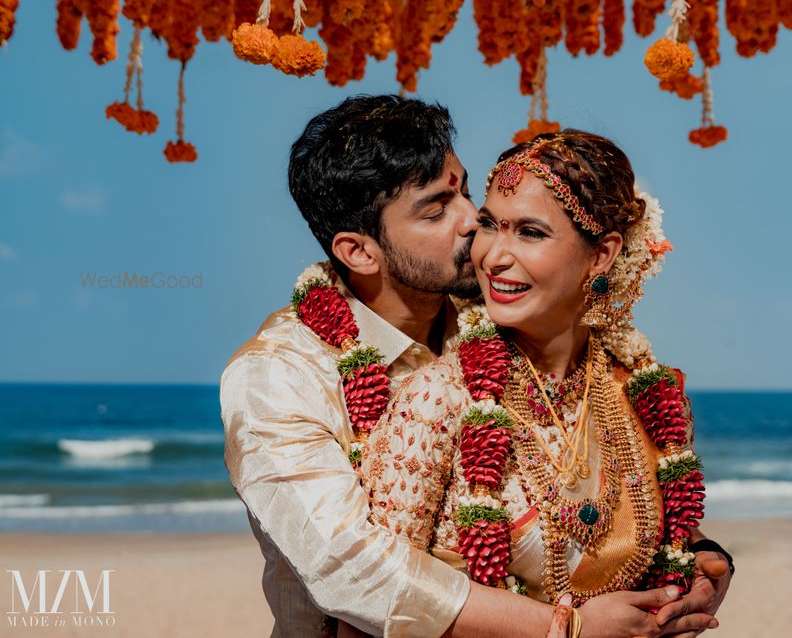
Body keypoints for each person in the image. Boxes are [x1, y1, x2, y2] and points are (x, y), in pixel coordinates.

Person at [221, 95, 728, 638]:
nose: (474, 225)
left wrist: (698, 558)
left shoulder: (506, 318)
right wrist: (567, 629)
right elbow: (353, 569)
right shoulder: (278, 376)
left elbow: (592, 477)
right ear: (360, 252)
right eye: (437, 210)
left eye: (465, 192)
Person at [359, 129, 734, 636]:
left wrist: (702, 572)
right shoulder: (441, 397)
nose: (493, 256)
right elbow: (373, 609)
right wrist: (568, 629)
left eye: (530, 232)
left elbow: (673, 551)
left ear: (601, 255)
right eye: (490, 225)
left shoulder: (648, 395)